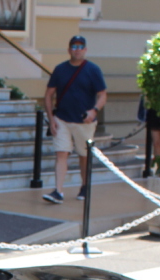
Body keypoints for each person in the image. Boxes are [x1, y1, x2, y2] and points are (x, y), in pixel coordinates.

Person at [42, 35, 106, 204]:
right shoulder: (60, 69)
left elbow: (102, 94)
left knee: (84, 155)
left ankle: (85, 186)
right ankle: (58, 191)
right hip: (62, 118)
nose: (77, 50)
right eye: (74, 46)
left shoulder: (93, 70)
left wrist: (94, 110)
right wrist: (51, 118)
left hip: (83, 121)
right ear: (69, 49)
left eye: (80, 47)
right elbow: (48, 95)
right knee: (61, 153)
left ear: (85, 50)